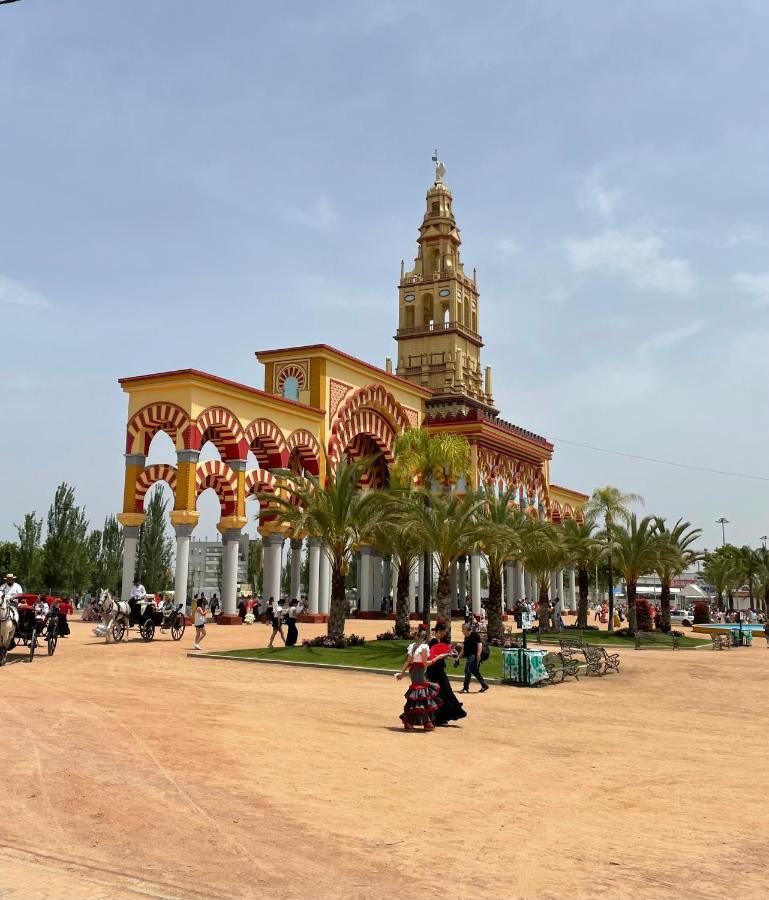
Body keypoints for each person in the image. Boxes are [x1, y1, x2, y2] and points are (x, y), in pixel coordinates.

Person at [395, 625, 440, 731]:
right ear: (425, 638)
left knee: (418, 696)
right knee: (421, 696)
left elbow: (408, 662)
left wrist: (401, 674)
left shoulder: (412, 646)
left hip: (413, 672)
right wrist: (437, 658)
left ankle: (423, 722)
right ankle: (419, 722)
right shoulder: (424, 647)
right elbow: (425, 664)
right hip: (419, 672)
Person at [426, 621, 466, 726]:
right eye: (444, 631)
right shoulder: (434, 641)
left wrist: (449, 653)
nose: (445, 634)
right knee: (442, 693)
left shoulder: (437, 641)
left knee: (443, 693)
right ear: (440, 630)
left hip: (438, 671)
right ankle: (438, 717)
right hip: (436, 672)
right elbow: (434, 656)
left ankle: (440, 717)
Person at [456, 622, 489, 694]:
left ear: (466, 629)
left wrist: (478, 655)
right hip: (470, 656)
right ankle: (484, 685)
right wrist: (458, 658)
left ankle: (465, 688)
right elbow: (463, 649)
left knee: (467, 670)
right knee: (474, 671)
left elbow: (479, 645)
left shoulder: (474, 635)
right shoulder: (466, 637)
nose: (462, 631)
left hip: (474, 655)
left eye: (463, 629)